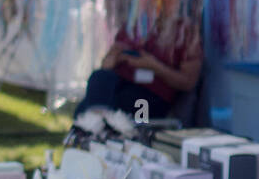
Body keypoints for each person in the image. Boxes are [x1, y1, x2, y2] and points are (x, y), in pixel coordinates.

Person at [74, 18, 202, 121]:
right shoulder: (133, 23)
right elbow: (107, 63)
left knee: (128, 104)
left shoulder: (185, 32)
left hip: (149, 97)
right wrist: (110, 61)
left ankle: (96, 130)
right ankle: (96, 126)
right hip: (119, 85)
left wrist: (155, 67)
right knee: (99, 77)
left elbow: (188, 82)